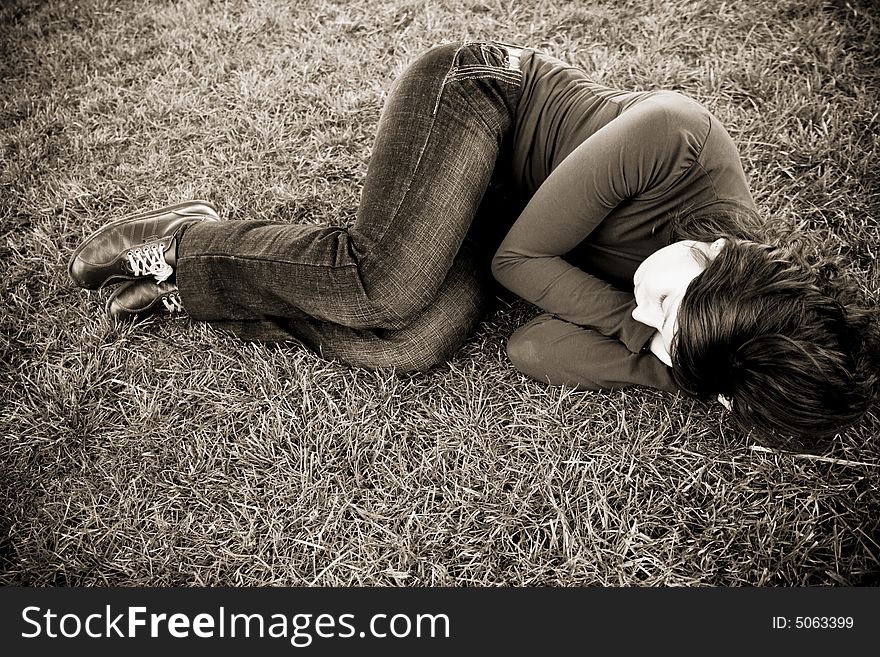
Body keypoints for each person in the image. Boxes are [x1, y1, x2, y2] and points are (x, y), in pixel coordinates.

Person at [68, 41, 878, 449]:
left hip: (504, 221)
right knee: (385, 285)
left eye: (660, 328)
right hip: (474, 107)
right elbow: (520, 267)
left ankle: (192, 297)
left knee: (414, 343)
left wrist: (687, 366)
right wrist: (648, 333)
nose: (646, 310)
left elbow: (530, 346)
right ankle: (176, 243)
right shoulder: (679, 141)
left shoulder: (698, 329)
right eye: (668, 299)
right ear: (725, 258)